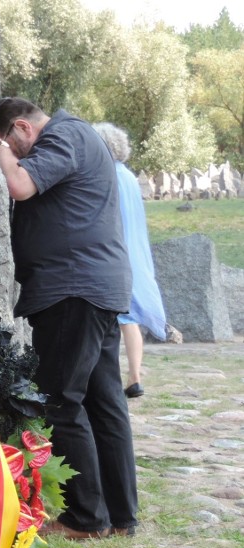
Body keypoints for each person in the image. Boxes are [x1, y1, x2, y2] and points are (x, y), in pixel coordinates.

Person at [0, 98, 138, 539]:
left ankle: (87, 518)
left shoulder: (63, 134)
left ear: (23, 128)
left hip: (72, 290)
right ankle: (121, 516)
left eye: (14, 144)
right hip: (95, 289)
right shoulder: (81, 136)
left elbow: (21, 186)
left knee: (60, 401)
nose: (19, 155)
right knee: (104, 402)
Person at [92, 122, 167, 399]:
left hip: (115, 245)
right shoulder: (129, 176)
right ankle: (134, 374)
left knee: (118, 314)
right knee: (129, 315)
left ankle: (106, 377)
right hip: (133, 243)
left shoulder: (106, 175)